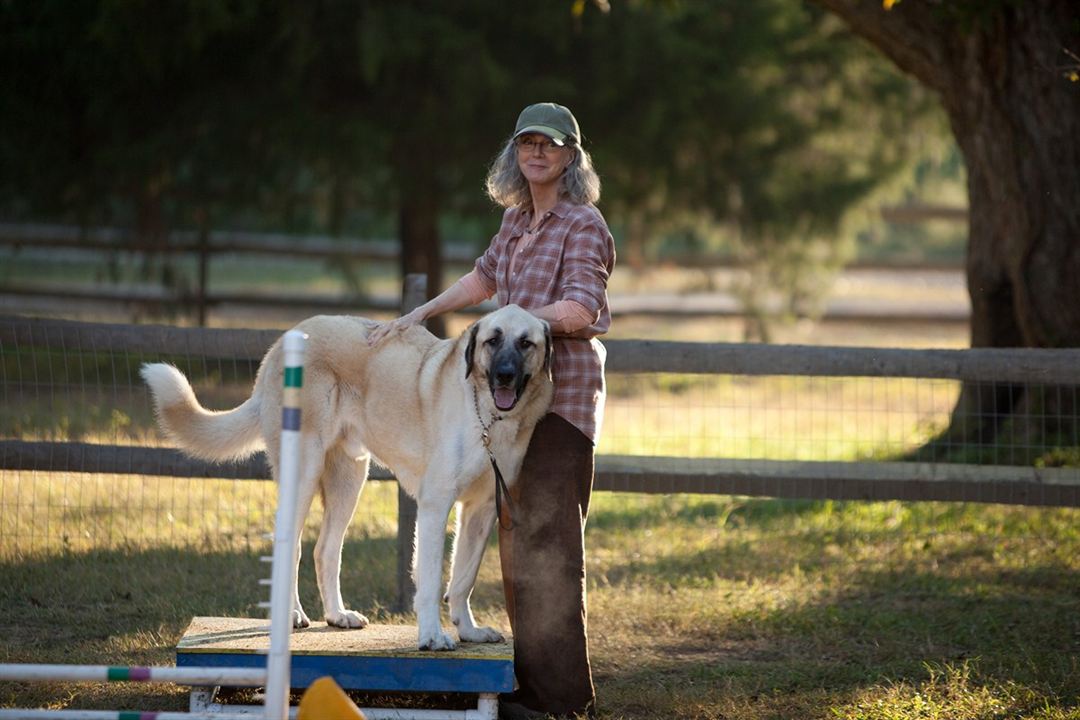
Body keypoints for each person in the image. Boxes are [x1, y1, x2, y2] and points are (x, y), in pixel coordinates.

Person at [368, 102, 615, 718]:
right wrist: (418, 316)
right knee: (510, 537)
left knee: (548, 542)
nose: (537, 152)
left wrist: (525, 324)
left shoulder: (583, 224)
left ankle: (557, 700)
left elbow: (582, 308)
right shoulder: (515, 220)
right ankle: (524, 687)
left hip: (557, 403)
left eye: (551, 144)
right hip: (505, 402)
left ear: (570, 157)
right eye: (527, 142)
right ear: (515, 153)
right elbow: (482, 280)